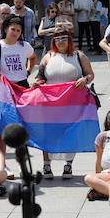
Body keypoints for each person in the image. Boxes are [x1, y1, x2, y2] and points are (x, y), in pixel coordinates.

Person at [32, 25, 94, 178]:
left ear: (69, 40)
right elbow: (40, 77)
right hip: (50, 103)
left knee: (71, 132)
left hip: (73, 103)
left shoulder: (79, 56)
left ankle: (68, 165)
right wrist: (36, 82)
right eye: (57, 39)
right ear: (53, 41)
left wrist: (85, 79)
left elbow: (90, 74)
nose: (60, 41)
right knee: (48, 133)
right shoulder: (48, 56)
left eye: (63, 38)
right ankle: (47, 165)